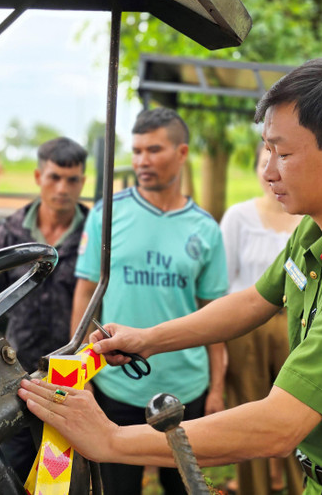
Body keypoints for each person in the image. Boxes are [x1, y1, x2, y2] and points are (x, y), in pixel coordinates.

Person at [22, 56, 322, 494]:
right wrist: (149, 339)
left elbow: (281, 424)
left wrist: (112, 440)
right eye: (268, 150)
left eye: (285, 152)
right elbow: (256, 301)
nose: (268, 170)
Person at [69, 107, 228, 495]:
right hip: (115, 386)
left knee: (186, 487)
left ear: (182, 152)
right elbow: (85, 296)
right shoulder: (107, 215)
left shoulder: (205, 229)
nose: (141, 161)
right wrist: (80, 376)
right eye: (136, 150)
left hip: (186, 389)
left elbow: (216, 317)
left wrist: (218, 388)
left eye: (153, 150)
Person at [0, 137, 89, 480]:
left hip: (75, 371)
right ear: (38, 177)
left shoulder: (96, 234)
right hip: (16, 370)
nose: (62, 188)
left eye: (72, 179)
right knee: (14, 466)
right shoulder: (10, 232)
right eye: (54, 177)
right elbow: (1, 293)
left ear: (83, 181)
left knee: (66, 473)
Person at [219, 141, 303, 495]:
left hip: (296, 327)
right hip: (246, 328)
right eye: (262, 161)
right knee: (250, 416)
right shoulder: (239, 217)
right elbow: (224, 280)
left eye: (280, 161)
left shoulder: (308, 218)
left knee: (298, 418)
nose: (270, 172)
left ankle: (303, 487)